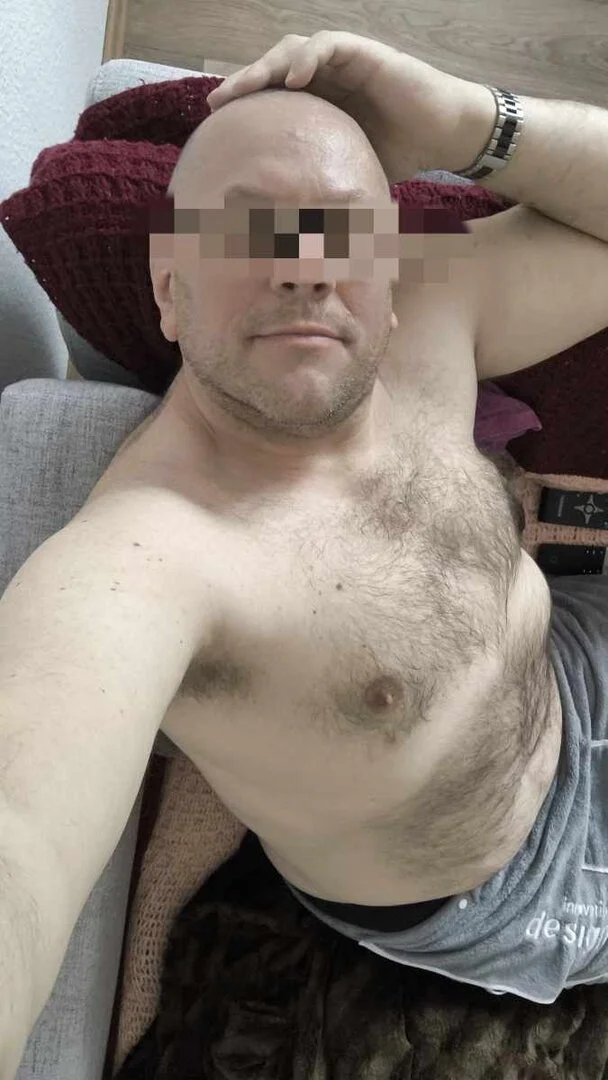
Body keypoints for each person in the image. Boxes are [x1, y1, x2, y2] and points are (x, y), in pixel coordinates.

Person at [2, 30, 608, 1075]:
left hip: (573, 659)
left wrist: (466, 120)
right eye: (250, 229)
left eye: (343, 228)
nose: (303, 266)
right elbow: (21, 834)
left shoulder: (429, 313)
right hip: (514, 882)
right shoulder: (148, 554)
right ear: (170, 285)